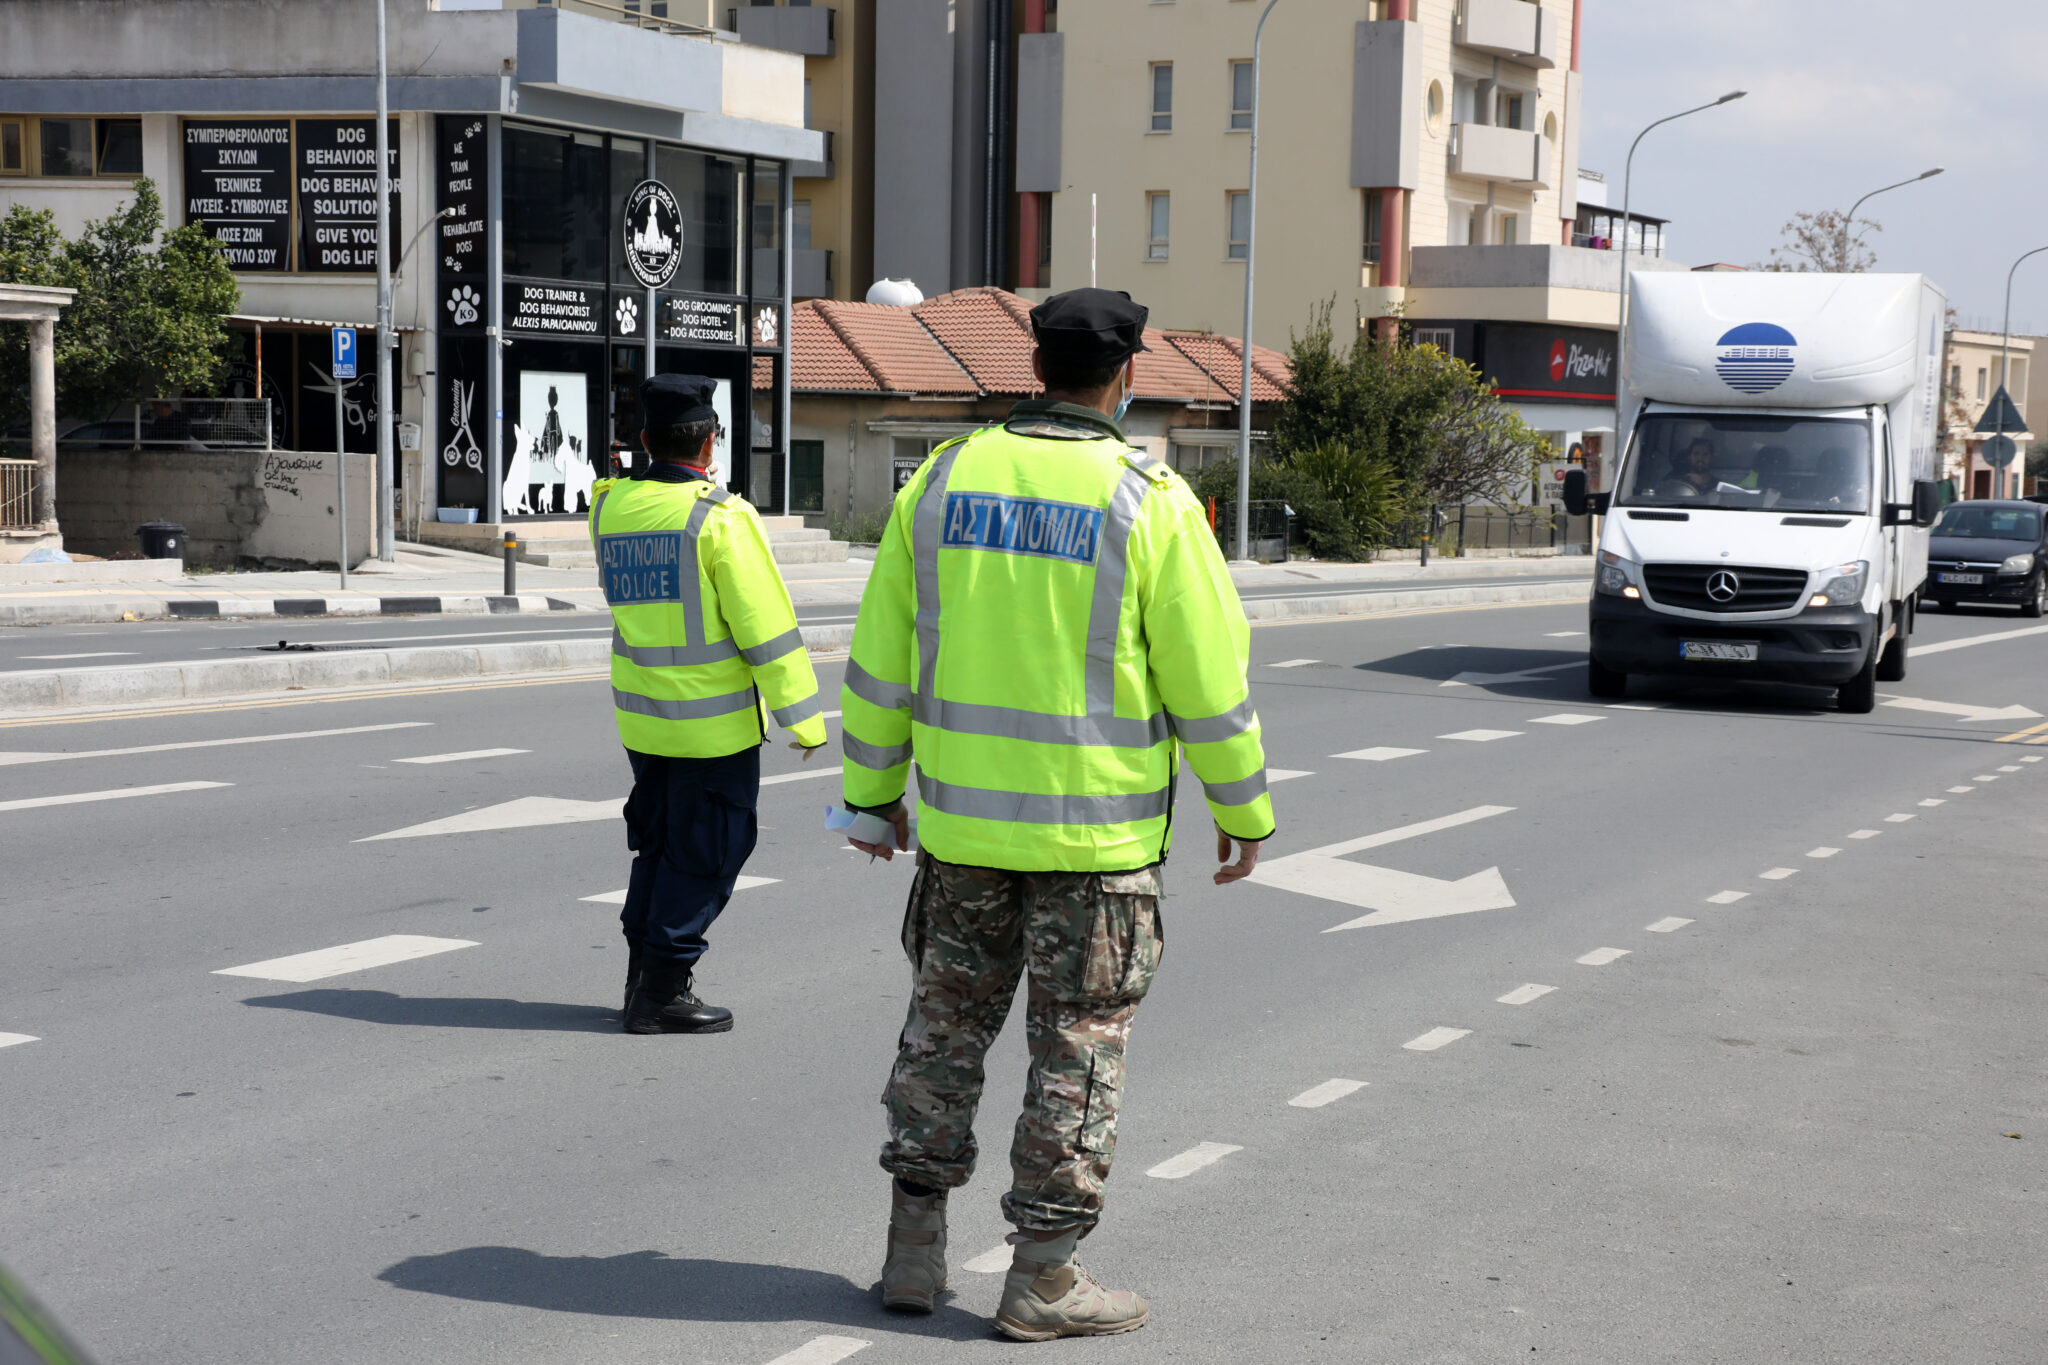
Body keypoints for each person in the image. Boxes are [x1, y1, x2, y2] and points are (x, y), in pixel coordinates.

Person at [837, 288, 1276, 1340]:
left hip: (958, 836)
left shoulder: (941, 481)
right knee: (1076, 1049)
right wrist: (1242, 808)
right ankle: (1040, 1277)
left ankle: (910, 1251)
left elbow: (879, 659)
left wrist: (867, 798)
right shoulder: (1149, 500)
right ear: (1124, 376)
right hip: (1094, 844)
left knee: (941, 1032)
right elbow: (1207, 681)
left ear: (1036, 365)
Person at [589, 373, 827, 1035]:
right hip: (711, 731)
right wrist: (803, 718)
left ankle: (643, 976)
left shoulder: (609, 507)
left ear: (643, 439)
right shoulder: (718, 518)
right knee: (709, 853)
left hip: (643, 722)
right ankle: (663, 990)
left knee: (660, 848)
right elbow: (766, 628)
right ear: (711, 443)